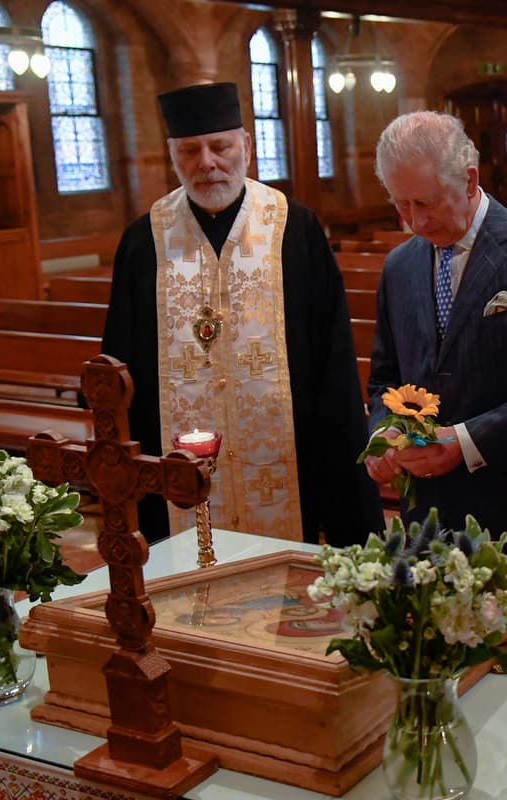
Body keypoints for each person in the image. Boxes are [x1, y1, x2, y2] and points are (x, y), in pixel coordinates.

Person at [103, 82, 383, 546]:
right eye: (190, 150)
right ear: (172, 155)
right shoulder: (144, 241)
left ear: (246, 147)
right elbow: (119, 364)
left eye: (220, 147)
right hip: (176, 481)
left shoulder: (295, 228)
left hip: (287, 465)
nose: (207, 163)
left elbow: (332, 362)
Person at [366, 111, 507, 551]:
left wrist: (465, 442)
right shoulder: (399, 266)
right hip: (423, 516)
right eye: (400, 204)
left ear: (469, 181)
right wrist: (382, 434)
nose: (415, 222)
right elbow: (384, 378)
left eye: (425, 203)